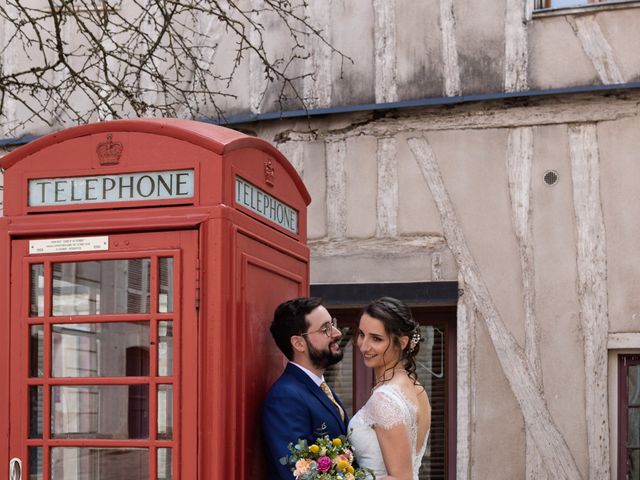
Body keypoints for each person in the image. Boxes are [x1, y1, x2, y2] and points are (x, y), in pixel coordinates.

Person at [262, 297, 349, 479]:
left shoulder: (321, 388)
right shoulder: (285, 397)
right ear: (298, 343)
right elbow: (297, 472)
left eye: (332, 324)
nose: (337, 333)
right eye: (325, 329)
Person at [349, 297, 431, 480]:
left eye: (376, 339)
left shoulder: (384, 398)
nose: (363, 346)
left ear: (402, 342)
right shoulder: (417, 389)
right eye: (362, 334)